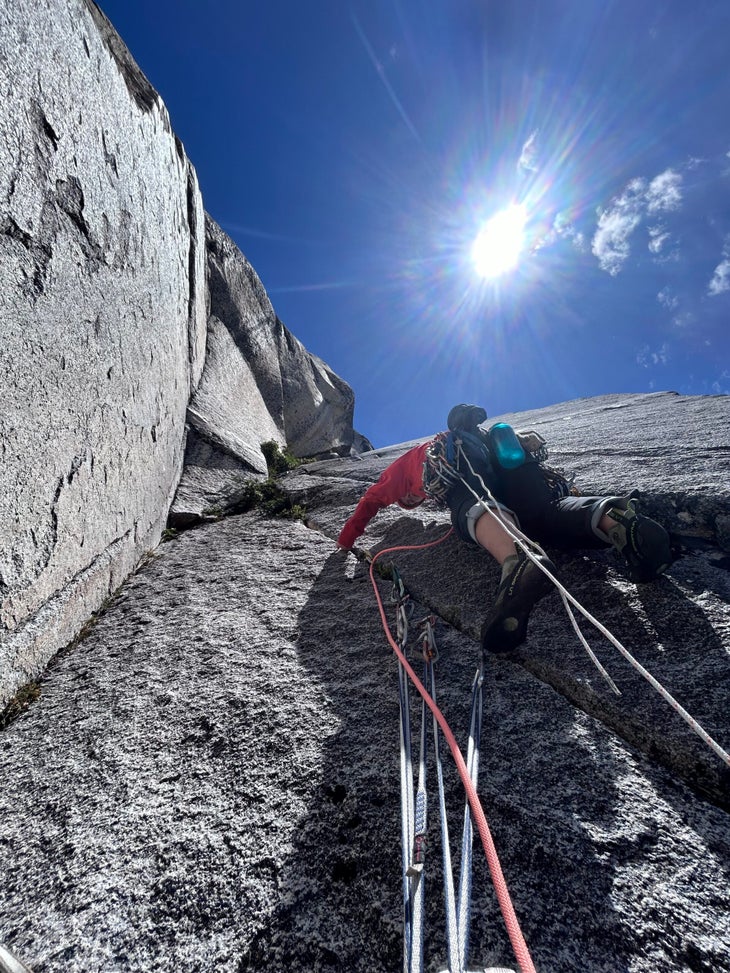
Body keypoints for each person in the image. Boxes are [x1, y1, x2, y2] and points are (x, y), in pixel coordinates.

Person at [337, 404, 672, 653]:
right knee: (543, 516)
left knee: (469, 503)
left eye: (411, 500)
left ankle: (518, 562)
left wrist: (346, 541)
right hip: (509, 456)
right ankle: (619, 522)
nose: (415, 499)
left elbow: (369, 502)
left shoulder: (400, 471)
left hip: (458, 454)